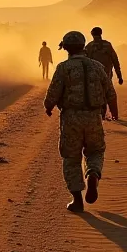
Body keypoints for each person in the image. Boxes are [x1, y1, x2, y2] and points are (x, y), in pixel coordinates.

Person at [44, 31, 119, 213]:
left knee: (71, 158)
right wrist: (114, 111)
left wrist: (48, 106)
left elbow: (53, 93)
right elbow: (110, 91)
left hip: (71, 118)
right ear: (83, 46)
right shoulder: (97, 66)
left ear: (66, 48)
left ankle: (77, 200)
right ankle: (93, 173)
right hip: (94, 117)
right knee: (95, 151)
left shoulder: (63, 68)